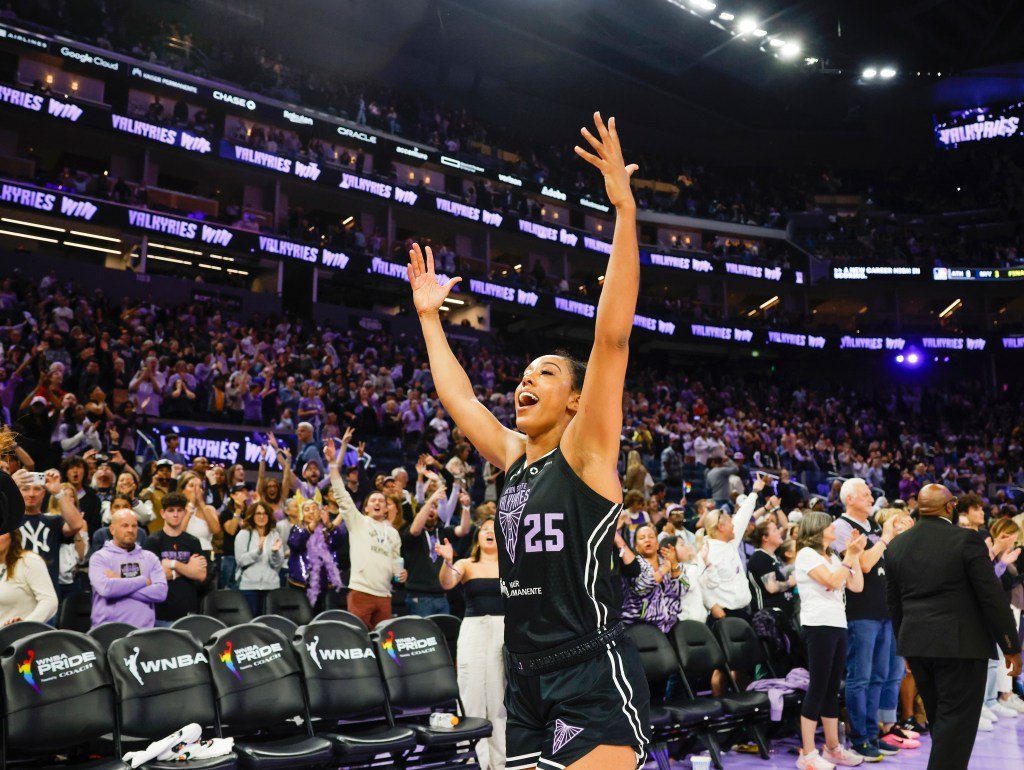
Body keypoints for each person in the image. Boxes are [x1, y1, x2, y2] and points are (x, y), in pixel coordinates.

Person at [407, 112, 650, 770]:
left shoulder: (586, 451)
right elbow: (460, 400)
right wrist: (430, 319)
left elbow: (612, 338)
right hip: (525, 675)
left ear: (574, 399)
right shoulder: (513, 457)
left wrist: (625, 212)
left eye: (543, 373)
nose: (524, 382)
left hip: (589, 670)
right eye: (522, 375)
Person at [885, 484, 1021, 770]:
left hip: (917, 645)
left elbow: (895, 604)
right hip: (961, 647)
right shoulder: (967, 540)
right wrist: (1010, 645)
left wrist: (904, 647)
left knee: (942, 724)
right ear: (950, 507)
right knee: (956, 727)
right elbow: (991, 597)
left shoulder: (897, 545)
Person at [830, 478, 899, 761]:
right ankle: (859, 738)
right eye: (866, 494)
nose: (872, 498)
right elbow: (866, 565)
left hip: (883, 611)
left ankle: (872, 734)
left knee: (879, 676)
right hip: (860, 613)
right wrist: (885, 539)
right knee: (860, 677)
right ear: (849, 499)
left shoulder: (872, 527)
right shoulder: (841, 528)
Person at [794, 511, 867, 770]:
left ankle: (833, 747)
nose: (834, 528)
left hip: (838, 623)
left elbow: (856, 585)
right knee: (818, 687)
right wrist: (848, 558)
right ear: (817, 528)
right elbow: (833, 581)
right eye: (829, 525)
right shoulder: (806, 555)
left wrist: (854, 554)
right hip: (818, 624)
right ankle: (807, 753)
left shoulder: (833, 556)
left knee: (832, 688)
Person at [436, 517, 505, 770]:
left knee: (499, 696)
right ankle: (471, 758)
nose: (489, 532)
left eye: (494, 529)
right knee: (470, 691)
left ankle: (500, 760)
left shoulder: (512, 566)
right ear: (477, 537)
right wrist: (447, 561)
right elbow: (447, 582)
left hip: (503, 630)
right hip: (474, 629)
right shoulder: (466, 564)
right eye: (485, 529)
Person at [326, 433, 406, 629]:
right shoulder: (358, 522)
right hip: (361, 592)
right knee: (359, 638)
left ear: (386, 509)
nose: (377, 503)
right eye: (373, 501)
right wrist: (332, 464)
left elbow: (396, 563)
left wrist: (401, 575)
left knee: (384, 642)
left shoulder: (393, 533)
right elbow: (341, 495)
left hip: (385, 595)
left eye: (381, 501)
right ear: (366, 508)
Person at [89, 509, 167, 628]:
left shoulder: (150, 558)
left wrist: (119, 582)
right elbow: (106, 589)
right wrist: (143, 581)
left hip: (143, 631)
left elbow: (161, 593)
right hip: (108, 630)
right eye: (125, 525)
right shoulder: (99, 558)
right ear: (112, 529)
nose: (130, 530)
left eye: (134, 526)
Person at [14, 467, 85, 594]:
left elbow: (77, 524)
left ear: (44, 493)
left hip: (48, 592)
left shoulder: (54, 521)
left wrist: (58, 492)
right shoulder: (8, 521)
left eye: (37, 489)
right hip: (16, 590)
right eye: (25, 489)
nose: (31, 494)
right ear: (18, 492)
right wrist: (8, 488)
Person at [144, 492, 208, 627]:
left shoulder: (193, 541)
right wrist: (189, 569)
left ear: (185, 513)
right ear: (163, 513)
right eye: (171, 510)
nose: (175, 514)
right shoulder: (152, 541)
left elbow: (201, 575)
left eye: (179, 510)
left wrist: (173, 564)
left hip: (188, 612)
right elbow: (153, 577)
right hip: (161, 613)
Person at [617, 524, 686, 633]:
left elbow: (682, 590)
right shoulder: (633, 565)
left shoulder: (668, 561)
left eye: (651, 536)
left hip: (670, 626)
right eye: (642, 538)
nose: (647, 540)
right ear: (636, 546)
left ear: (657, 544)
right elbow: (641, 587)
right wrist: (665, 569)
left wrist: (674, 566)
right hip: (640, 627)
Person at [234, 501, 284, 615]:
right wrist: (258, 551)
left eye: (265, 513)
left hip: (271, 587)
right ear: (252, 516)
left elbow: (277, 564)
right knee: (251, 622)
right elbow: (240, 561)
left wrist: (275, 552)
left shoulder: (275, 535)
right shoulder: (243, 534)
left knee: (270, 622)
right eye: (258, 513)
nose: (262, 516)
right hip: (249, 588)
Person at [0, 529, 58, 626]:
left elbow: (49, 601)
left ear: (12, 536)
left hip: (20, 634)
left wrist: (24, 626)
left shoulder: (28, 561)